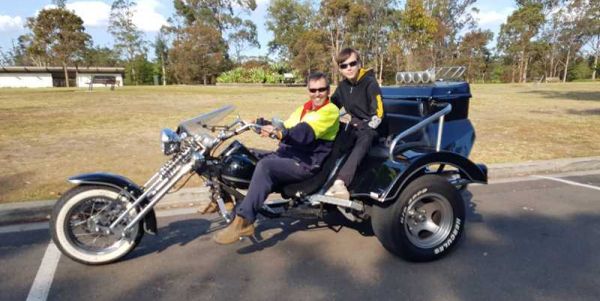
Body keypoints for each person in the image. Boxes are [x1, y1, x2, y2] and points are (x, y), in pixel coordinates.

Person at [214, 71, 340, 245]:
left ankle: (243, 221)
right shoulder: (304, 108)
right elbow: (286, 126)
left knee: (265, 166)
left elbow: (304, 133)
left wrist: (280, 134)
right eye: (313, 90)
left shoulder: (330, 111)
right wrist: (260, 123)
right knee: (239, 153)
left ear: (329, 90)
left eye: (322, 89)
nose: (317, 94)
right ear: (308, 90)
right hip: (287, 154)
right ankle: (225, 200)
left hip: (305, 163)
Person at [325, 48, 384, 199]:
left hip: (372, 128)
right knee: (335, 135)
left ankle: (340, 183)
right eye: (344, 66)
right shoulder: (343, 87)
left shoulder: (370, 83)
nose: (349, 68)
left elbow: (378, 113)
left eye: (352, 63)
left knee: (363, 136)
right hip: (354, 126)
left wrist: (365, 126)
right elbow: (331, 107)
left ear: (359, 63)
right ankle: (322, 181)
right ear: (339, 69)